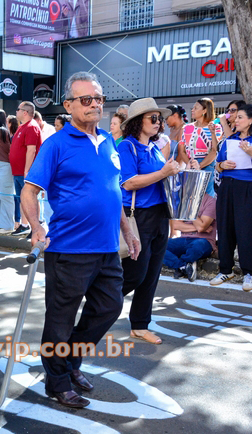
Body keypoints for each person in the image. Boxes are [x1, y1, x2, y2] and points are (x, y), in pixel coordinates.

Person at [21, 71, 140, 409]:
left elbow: (114, 192)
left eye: (99, 98)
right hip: (68, 248)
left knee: (109, 307)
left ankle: (70, 363)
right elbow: (30, 191)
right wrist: (36, 227)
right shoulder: (56, 144)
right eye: (86, 99)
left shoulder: (108, 141)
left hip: (105, 248)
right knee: (60, 319)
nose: (94, 105)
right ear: (69, 104)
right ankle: (57, 381)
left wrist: (128, 231)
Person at [118, 98, 180, 345]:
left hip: (159, 214)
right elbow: (128, 182)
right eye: (152, 118)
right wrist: (163, 172)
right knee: (135, 273)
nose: (158, 123)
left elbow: (161, 178)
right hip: (138, 215)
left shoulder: (154, 147)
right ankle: (101, 301)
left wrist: (177, 170)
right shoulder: (127, 147)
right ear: (137, 122)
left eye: (159, 119)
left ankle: (140, 325)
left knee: (153, 273)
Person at [211, 104, 252, 291]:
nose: (235, 120)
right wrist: (222, 165)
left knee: (248, 230)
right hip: (227, 187)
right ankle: (225, 269)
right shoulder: (231, 140)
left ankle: (249, 273)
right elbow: (217, 165)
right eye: (234, 117)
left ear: (251, 119)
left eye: (239, 117)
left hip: (251, 188)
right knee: (225, 228)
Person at [164, 195, 217, 282]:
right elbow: (176, 225)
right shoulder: (185, 200)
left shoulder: (211, 202)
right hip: (183, 239)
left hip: (204, 240)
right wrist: (199, 227)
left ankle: (183, 264)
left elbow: (202, 227)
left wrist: (191, 209)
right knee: (159, 246)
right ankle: (183, 266)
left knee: (197, 246)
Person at [176, 98, 221, 197]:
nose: (192, 110)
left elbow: (214, 151)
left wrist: (199, 166)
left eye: (196, 108)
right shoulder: (186, 128)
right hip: (190, 166)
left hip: (207, 166)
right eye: (192, 108)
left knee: (207, 199)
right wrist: (190, 165)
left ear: (204, 110)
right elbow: (182, 151)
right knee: (190, 198)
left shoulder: (215, 127)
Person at [9, 101, 42, 235]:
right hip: (18, 171)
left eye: (18, 109)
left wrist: (27, 170)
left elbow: (31, 150)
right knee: (22, 199)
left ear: (25, 112)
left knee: (30, 198)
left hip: (26, 172)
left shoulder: (31, 126)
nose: (15, 112)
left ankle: (36, 226)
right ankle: (24, 224)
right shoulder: (23, 126)